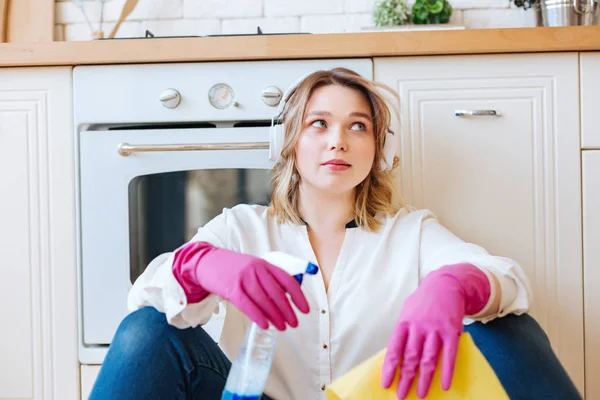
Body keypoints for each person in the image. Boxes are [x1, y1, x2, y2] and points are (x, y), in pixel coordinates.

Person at [89, 68, 581, 400]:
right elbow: (145, 294)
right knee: (148, 330)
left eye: (358, 126)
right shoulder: (240, 227)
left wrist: (454, 286)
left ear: (376, 150)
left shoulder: (410, 234)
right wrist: (201, 266)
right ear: (290, 143)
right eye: (318, 124)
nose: (338, 141)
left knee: (508, 326)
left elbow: (509, 281)